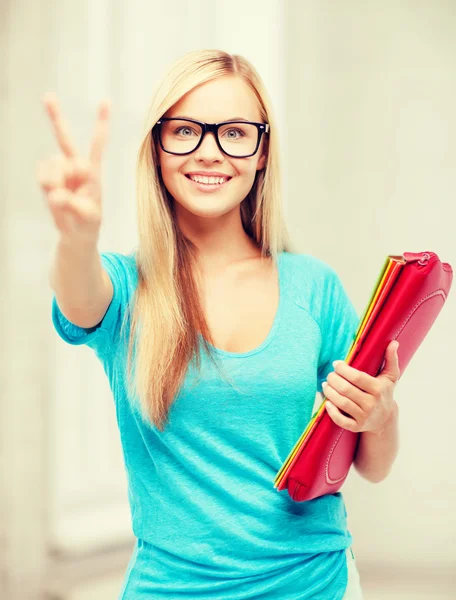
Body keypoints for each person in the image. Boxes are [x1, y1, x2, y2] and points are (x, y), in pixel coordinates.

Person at [37, 48, 388, 599]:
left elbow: (372, 463)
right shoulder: (128, 288)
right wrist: (76, 237)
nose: (210, 152)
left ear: (262, 150)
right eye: (185, 131)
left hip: (315, 582)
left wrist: (381, 414)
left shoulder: (314, 286)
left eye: (234, 132)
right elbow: (79, 295)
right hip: (171, 588)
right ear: (157, 147)